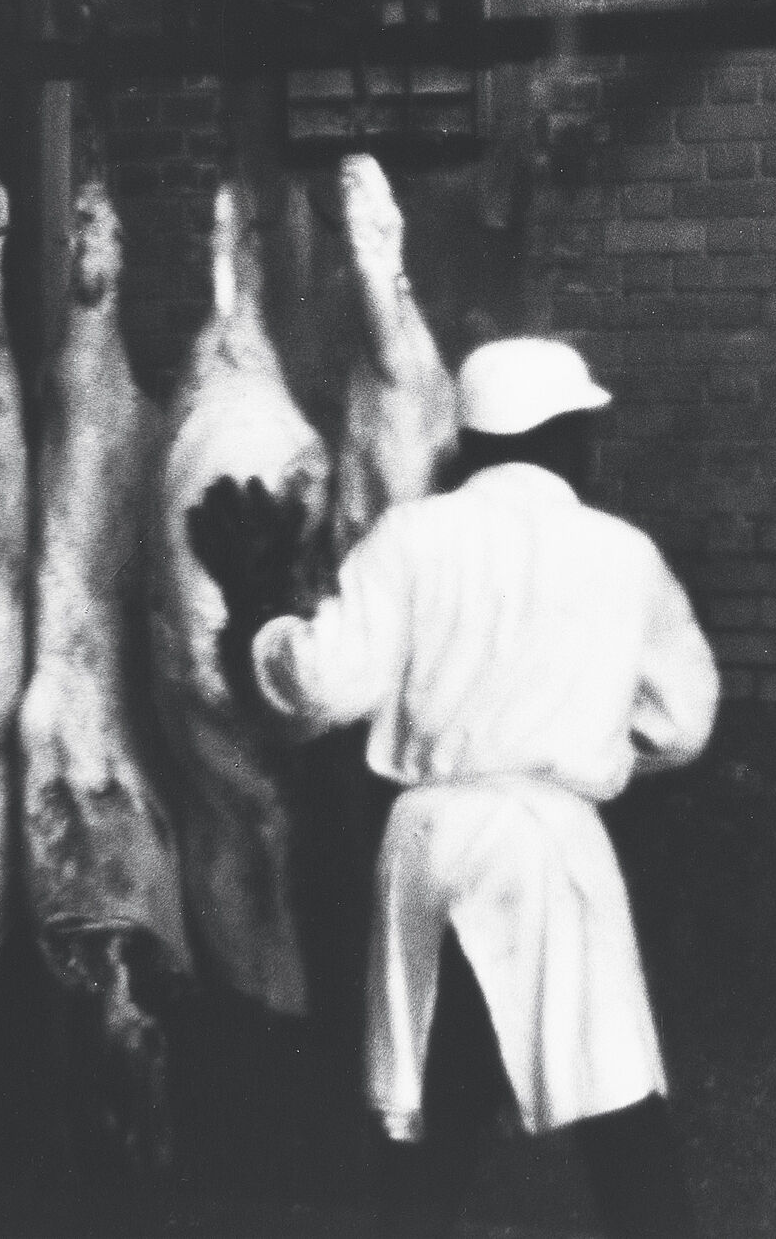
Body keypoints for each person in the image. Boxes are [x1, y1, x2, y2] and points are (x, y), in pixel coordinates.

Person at [189, 335, 719, 1239]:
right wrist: (590, 744)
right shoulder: (623, 555)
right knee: (619, 1110)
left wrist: (257, 616)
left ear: (469, 447)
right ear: (567, 440)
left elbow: (318, 686)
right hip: (552, 848)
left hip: (429, 844)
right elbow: (684, 720)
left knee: (428, 1117)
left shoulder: (412, 538)